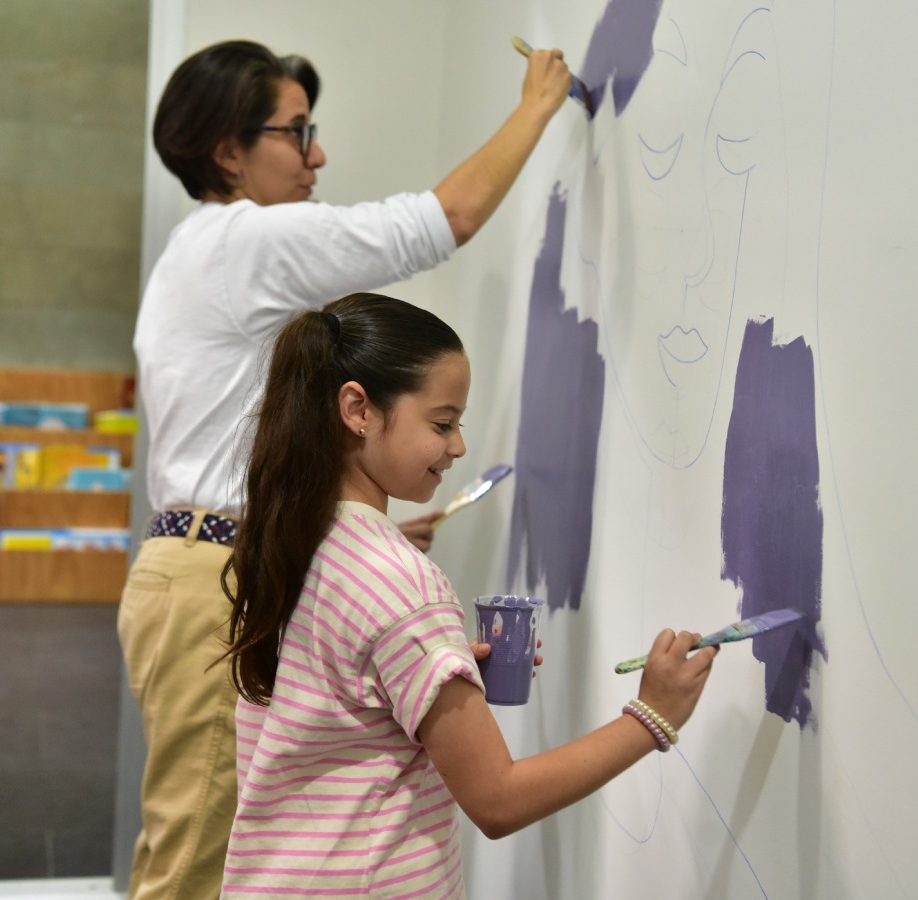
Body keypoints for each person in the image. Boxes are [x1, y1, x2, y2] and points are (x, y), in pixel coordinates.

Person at [117, 39, 574, 900]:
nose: (316, 154)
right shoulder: (242, 241)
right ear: (228, 151)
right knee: (191, 867)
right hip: (211, 571)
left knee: (208, 849)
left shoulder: (197, 255)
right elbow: (446, 219)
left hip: (214, 564)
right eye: (296, 132)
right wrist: (539, 103)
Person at [220, 292, 718, 897]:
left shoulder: (292, 542)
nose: (457, 447)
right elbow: (498, 800)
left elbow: (340, 709)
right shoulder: (398, 580)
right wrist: (653, 717)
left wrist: (435, 672)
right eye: (442, 423)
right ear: (357, 409)